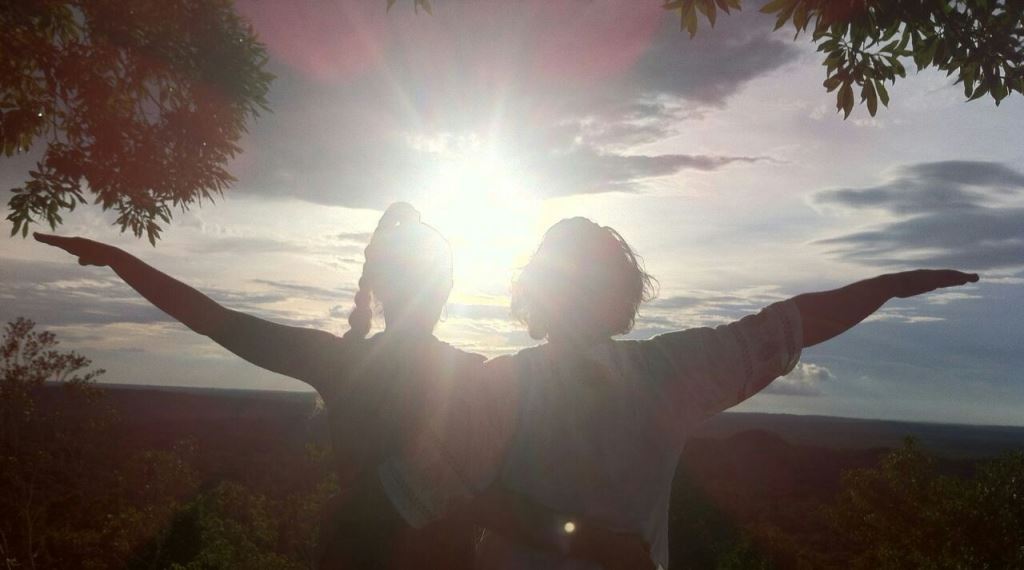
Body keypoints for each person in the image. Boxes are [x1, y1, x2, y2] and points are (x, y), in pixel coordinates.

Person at [473, 216, 979, 570]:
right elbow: (463, 496)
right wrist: (598, 545)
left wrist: (887, 286)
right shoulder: (657, 372)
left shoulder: (515, 380)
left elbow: (787, 326)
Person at [34, 202, 506, 569]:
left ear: (380, 288)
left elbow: (214, 321)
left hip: (356, 556)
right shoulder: (476, 375)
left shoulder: (342, 363)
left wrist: (119, 259)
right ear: (445, 289)